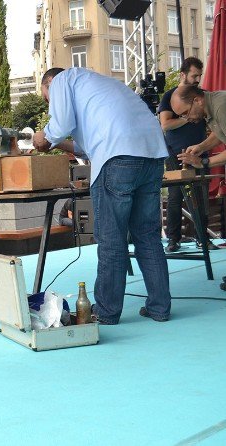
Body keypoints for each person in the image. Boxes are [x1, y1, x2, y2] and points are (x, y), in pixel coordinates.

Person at [32, 67, 170, 324]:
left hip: (117, 157)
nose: (50, 105)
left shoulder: (62, 79)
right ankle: (159, 307)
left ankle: (106, 311)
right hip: (151, 155)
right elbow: (82, 147)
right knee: (147, 236)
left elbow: (58, 126)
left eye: (47, 99)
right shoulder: (100, 86)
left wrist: (44, 137)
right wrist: (55, 141)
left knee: (111, 240)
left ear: (49, 83)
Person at [158, 57, 213, 252]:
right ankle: (173, 239)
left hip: (198, 151)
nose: (198, 79)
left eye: (199, 75)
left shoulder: (202, 95)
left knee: (200, 195)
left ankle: (201, 237)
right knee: (175, 196)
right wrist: (187, 117)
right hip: (175, 153)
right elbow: (165, 124)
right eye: (194, 75)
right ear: (183, 74)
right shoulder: (169, 96)